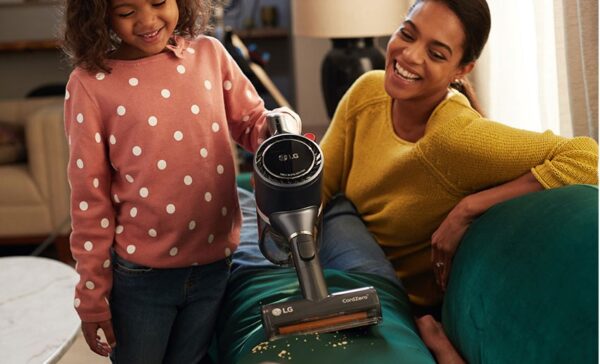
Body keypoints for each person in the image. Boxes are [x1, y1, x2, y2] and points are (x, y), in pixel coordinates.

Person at [318, 0, 598, 361]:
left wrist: (469, 208)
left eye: (436, 53)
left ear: (462, 69)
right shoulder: (368, 91)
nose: (409, 56)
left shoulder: (456, 137)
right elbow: (319, 188)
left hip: (391, 303)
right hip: (344, 254)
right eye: (407, 33)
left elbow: (587, 157)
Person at [61, 0, 300, 362]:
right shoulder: (90, 83)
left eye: (159, 2)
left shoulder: (210, 55)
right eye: (126, 12)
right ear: (100, 15)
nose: (147, 20)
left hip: (214, 263)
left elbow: (253, 124)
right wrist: (91, 293)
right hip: (141, 277)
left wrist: (278, 126)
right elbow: (89, 199)